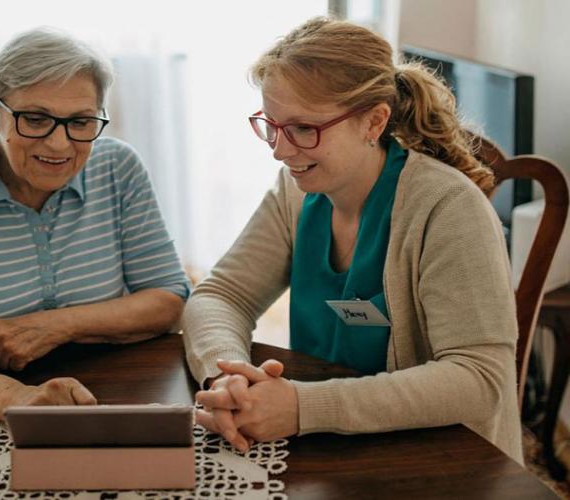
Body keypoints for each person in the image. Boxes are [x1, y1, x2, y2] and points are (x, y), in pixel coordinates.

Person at [183, 17, 522, 463]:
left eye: (304, 128)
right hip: (330, 446)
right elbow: (222, 295)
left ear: (374, 121)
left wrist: (303, 407)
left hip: (442, 460)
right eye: (272, 125)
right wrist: (229, 378)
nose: (280, 151)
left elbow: (478, 379)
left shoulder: (446, 207)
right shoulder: (295, 189)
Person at [0, 28, 190, 420]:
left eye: (80, 121)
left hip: (114, 385)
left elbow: (168, 299)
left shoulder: (117, 167)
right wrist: (16, 398)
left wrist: (56, 326)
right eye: (36, 118)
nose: (59, 144)